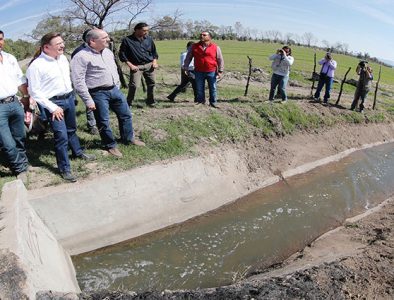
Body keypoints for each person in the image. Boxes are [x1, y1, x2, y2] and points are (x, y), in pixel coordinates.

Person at [26, 32, 95, 182]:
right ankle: (65, 168)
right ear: (46, 47)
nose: (62, 45)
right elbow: (35, 92)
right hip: (54, 104)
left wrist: (73, 96)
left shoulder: (63, 58)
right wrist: (52, 108)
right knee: (61, 136)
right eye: (58, 44)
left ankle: (77, 152)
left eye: (62, 42)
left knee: (71, 129)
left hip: (69, 98)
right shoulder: (36, 66)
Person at [71, 29, 145, 158]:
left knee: (126, 115)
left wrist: (116, 85)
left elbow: (114, 70)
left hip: (114, 89)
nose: (108, 39)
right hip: (97, 93)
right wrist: (88, 100)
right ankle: (110, 145)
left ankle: (128, 138)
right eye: (104, 37)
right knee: (103, 121)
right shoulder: (81, 56)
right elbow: (78, 81)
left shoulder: (108, 52)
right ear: (92, 41)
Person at [0, 30, 30, 183]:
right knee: (7, 142)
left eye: (1, 39)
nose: (0, 42)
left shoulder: (9, 58)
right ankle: (19, 169)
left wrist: (26, 97)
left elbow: (20, 79)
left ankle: (24, 163)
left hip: (14, 102)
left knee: (20, 137)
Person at [119, 22, 159, 107]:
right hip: (136, 66)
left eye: (147, 30)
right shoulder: (127, 40)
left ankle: (150, 101)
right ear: (137, 30)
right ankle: (128, 104)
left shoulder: (149, 39)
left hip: (149, 65)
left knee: (152, 83)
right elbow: (122, 55)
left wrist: (154, 62)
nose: (146, 32)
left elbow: (154, 52)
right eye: (144, 30)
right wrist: (131, 65)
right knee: (134, 86)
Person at [183, 31, 224, 108]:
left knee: (213, 88)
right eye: (201, 35)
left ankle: (213, 102)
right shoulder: (194, 46)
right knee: (199, 87)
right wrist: (186, 67)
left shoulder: (216, 47)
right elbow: (188, 58)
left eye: (204, 35)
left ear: (209, 37)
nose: (202, 36)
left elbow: (220, 59)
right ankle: (200, 101)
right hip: (198, 71)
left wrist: (220, 71)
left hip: (211, 71)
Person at [71, 29, 99, 135]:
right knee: (90, 103)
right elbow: (77, 72)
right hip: (87, 82)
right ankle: (92, 125)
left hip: (98, 82)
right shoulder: (78, 52)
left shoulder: (99, 50)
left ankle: (100, 123)